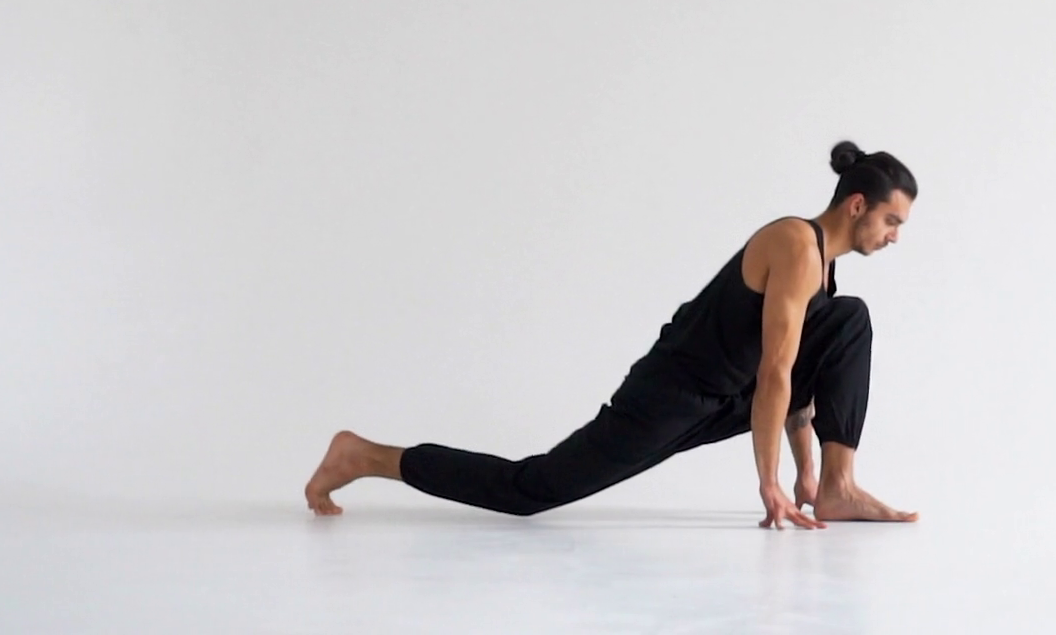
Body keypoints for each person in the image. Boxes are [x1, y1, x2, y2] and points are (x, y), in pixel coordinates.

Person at [303, 140, 919, 528]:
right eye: (892, 219)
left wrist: (807, 476)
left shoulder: (825, 269)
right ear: (857, 205)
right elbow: (778, 374)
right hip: (672, 395)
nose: (895, 235)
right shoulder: (795, 245)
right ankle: (367, 455)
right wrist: (769, 483)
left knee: (848, 321)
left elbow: (800, 383)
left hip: (726, 394)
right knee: (531, 490)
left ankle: (837, 486)